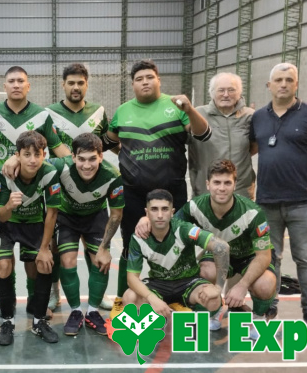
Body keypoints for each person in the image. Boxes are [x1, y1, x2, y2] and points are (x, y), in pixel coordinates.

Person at [104, 59, 211, 318]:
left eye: (149, 77)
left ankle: (180, 296)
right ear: (133, 84)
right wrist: (128, 155)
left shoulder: (176, 106)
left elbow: (203, 134)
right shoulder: (122, 111)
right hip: (133, 193)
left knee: (178, 245)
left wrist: (190, 109)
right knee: (130, 247)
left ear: (158, 80)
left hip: (172, 192)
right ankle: (121, 300)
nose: (145, 82)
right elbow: (109, 141)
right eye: (139, 79)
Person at [136, 160, 276, 339]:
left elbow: (263, 256)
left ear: (235, 184)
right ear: (208, 184)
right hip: (217, 254)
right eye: (217, 182)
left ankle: (258, 317)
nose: (222, 188)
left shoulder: (253, 213)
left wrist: (242, 285)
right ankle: (214, 312)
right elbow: (170, 223)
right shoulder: (195, 207)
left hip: (248, 257)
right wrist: (146, 219)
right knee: (205, 272)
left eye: (227, 183)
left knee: (265, 284)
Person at [250, 63, 307, 323]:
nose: (283, 84)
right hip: (267, 202)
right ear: (269, 85)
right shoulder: (258, 117)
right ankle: (270, 305)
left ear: (296, 84)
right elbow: (250, 150)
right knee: (270, 258)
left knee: (305, 259)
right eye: (278, 80)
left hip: (303, 201)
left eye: (289, 80)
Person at [45, 63, 112, 312]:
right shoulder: (49, 113)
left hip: (93, 195)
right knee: (58, 250)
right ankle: (54, 294)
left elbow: (109, 143)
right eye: (71, 83)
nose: (76, 87)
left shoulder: (99, 112)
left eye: (80, 83)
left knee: (94, 249)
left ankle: (97, 295)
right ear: (63, 85)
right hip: (62, 195)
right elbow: (47, 147)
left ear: (86, 84)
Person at [46, 132, 124, 337]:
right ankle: (75, 311)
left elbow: (116, 215)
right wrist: (14, 159)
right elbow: (34, 163)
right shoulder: (61, 166)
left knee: (101, 262)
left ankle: (92, 312)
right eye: (81, 159)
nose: (86, 165)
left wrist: (104, 248)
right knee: (67, 260)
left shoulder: (112, 175)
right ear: (72, 157)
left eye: (92, 159)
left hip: (95, 218)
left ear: (101, 156)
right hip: (67, 217)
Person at [0, 131, 61, 345]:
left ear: (44, 155)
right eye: (27, 154)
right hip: (7, 224)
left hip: (34, 223)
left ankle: (39, 321)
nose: (32, 160)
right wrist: (9, 206)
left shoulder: (49, 172)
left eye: (37, 154)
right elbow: (0, 216)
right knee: (4, 266)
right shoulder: (4, 173)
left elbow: (52, 213)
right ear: (17, 155)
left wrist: (45, 248)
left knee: (44, 265)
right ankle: (7, 320)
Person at [123, 189, 229, 321]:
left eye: (165, 209)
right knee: (129, 298)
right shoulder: (138, 237)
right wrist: (152, 298)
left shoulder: (184, 229)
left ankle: (199, 317)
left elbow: (221, 247)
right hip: (159, 283)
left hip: (188, 281)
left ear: (172, 212)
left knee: (213, 299)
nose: (160, 215)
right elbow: (131, 278)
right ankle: (159, 317)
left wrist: (218, 288)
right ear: (147, 212)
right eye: (154, 209)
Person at [188, 72, 255, 199]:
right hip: (205, 192)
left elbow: (254, 147)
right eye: (221, 90)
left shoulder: (250, 116)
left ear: (239, 92)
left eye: (231, 90)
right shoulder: (197, 115)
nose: (226, 94)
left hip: (241, 191)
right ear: (212, 92)